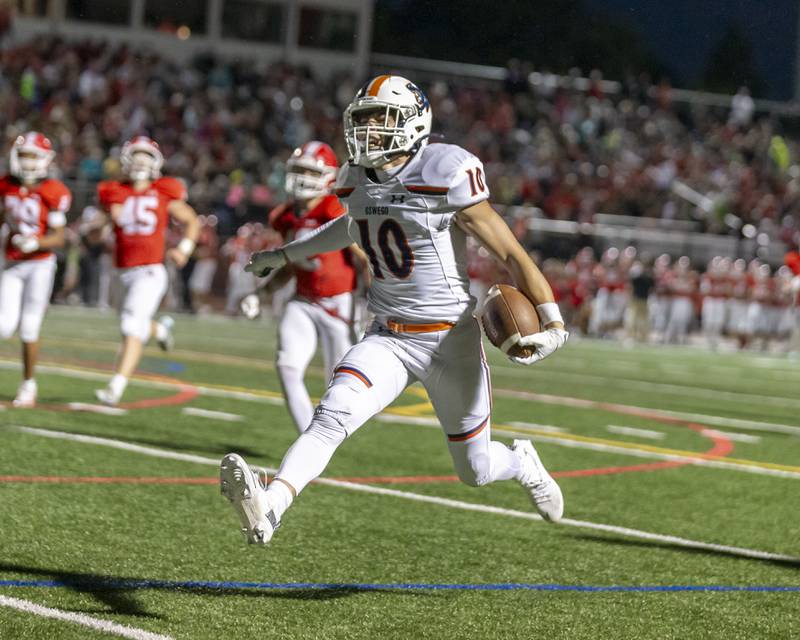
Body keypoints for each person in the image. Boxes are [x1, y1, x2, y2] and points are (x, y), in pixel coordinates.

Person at [219, 75, 569, 545]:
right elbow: (350, 227)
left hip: (450, 340)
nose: (368, 132)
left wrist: (554, 323)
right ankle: (272, 504)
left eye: (379, 121)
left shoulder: (445, 170)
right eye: (362, 121)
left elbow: (511, 254)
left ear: (413, 122)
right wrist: (285, 255)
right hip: (388, 336)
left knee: (477, 469)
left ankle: (522, 461)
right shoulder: (353, 181)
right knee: (332, 414)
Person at [260, 141, 368, 434]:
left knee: (342, 388)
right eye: (298, 170)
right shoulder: (285, 216)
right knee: (287, 366)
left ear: (329, 177)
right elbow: (291, 266)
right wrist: (262, 293)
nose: (302, 178)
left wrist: (374, 302)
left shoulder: (334, 208)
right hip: (303, 301)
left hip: (339, 304)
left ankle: (324, 435)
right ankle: (309, 437)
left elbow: (367, 258)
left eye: (309, 171)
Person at [94, 136, 200, 405]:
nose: (141, 161)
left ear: (156, 162)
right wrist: (99, 226)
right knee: (132, 322)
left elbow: (191, 220)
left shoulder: (164, 190)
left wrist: (184, 249)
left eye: (146, 156)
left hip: (150, 270)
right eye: (136, 155)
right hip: (120, 270)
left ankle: (115, 387)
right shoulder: (114, 190)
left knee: (130, 324)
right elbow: (100, 229)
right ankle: (160, 330)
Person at [0, 132, 71, 407]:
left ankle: (28, 385)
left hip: (40, 264)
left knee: (29, 326)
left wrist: (35, 241)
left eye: (33, 156)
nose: (28, 162)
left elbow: (60, 236)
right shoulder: (5, 185)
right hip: (13, 263)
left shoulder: (53, 190)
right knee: (4, 326)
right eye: (24, 155)